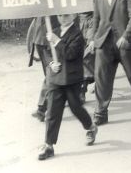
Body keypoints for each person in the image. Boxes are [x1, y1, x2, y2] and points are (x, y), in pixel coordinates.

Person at [38, 13, 98, 160]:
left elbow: (71, 54)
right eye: (60, 15)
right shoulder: (55, 31)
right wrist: (51, 63)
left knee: (75, 107)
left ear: (74, 16)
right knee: (52, 111)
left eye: (66, 16)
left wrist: (57, 41)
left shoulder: (77, 34)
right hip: (55, 79)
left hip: (71, 79)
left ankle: (90, 127)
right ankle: (48, 144)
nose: (62, 18)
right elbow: (47, 52)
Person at [79, 0, 102, 103]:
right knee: (81, 53)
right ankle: (91, 82)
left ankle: (83, 88)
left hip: (94, 19)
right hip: (80, 19)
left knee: (88, 54)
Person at [27, 16, 59, 122]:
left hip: (52, 41)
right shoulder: (41, 4)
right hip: (40, 41)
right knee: (50, 76)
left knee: (51, 76)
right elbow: (35, 23)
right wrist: (30, 49)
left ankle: (42, 109)